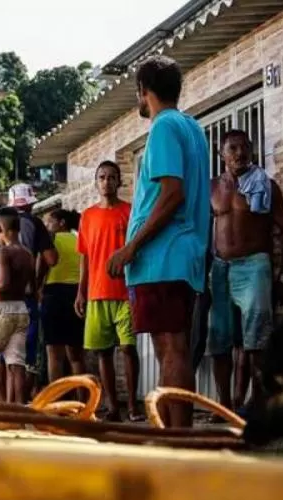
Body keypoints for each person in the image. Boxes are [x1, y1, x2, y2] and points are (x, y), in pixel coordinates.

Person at [108, 55, 211, 428]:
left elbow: (172, 194)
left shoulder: (164, 127)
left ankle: (177, 437)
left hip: (163, 257)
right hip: (179, 257)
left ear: (143, 91)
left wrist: (131, 246)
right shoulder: (193, 127)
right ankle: (171, 432)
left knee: (172, 348)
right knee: (173, 346)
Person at [207, 129, 283, 411]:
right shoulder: (211, 188)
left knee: (256, 340)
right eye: (232, 148)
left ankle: (258, 405)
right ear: (221, 154)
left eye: (245, 147)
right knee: (219, 341)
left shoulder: (265, 185)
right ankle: (224, 407)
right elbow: (199, 233)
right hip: (220, 270)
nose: (239, 153)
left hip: (255, 266)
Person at [76, 162, 142, 422]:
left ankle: (134, 406)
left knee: (128, 348)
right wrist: (80, 292)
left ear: (119, 182)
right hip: (96, 292)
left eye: (112, 177)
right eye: (102, 177)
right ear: (96, 182)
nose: (107, 182)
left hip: (126, 291)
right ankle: (113, 406)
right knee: (102, 352)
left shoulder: (130, 212)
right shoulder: (87, 216)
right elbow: (85, 257)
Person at [0, 183, 58, 388]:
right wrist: (38, 283)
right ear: (30, 205)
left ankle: (2, 406)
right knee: (20, 358)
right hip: (25, 300)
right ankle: (19, 406)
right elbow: (51, 259)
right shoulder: (34, 223)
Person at [0, 209, 35, 403]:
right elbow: (32, 288)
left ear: (0, 228)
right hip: (21, 309)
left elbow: (2, 284)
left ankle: (2, 406)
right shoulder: (28, 254)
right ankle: (18, 410)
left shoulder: (3, 251)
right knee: (16, 364)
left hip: (1, 310)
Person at [41, 209, 86, 385]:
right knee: (76, 356)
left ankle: (56, 403)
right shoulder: (78, 240)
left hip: (53, 294)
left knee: (54, 355)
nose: (47, 226)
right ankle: (82, 402)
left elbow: (43, 266)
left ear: (62, 223)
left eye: (49, 222)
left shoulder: (50, 241)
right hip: (76, 294)